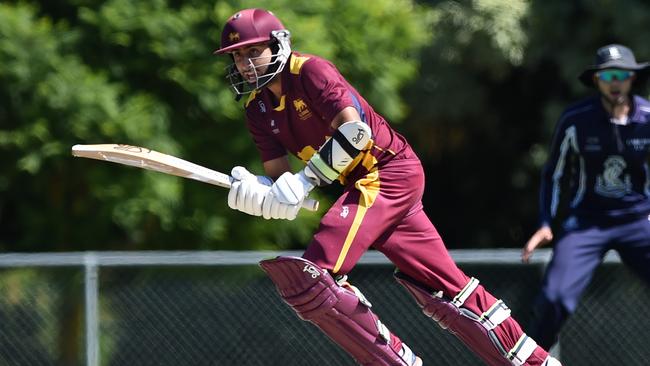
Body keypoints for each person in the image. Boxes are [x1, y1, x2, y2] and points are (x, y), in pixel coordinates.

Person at [215, 8, 561, 366]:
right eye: (237, 56)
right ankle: (538, 362)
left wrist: (305, 181)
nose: (245, 64)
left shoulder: (310, 71)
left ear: (279, 45)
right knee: (445, 288)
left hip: (387, 169)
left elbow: (355, 132)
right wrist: (260, 195)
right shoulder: (257, 110)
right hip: (364, 183)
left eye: (253, 52)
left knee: (313, 277)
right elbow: (278, 180)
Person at [522, 44, 650, 351]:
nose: (615, 82)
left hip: (637, 220)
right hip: (586, 224)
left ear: (632, 79)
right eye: (607, 76)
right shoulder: (576, 120)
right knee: (553, 299)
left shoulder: (647, 117)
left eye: (622, 75)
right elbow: (555, 174)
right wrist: (545, 222)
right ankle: (530, 359)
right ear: (597, 81)